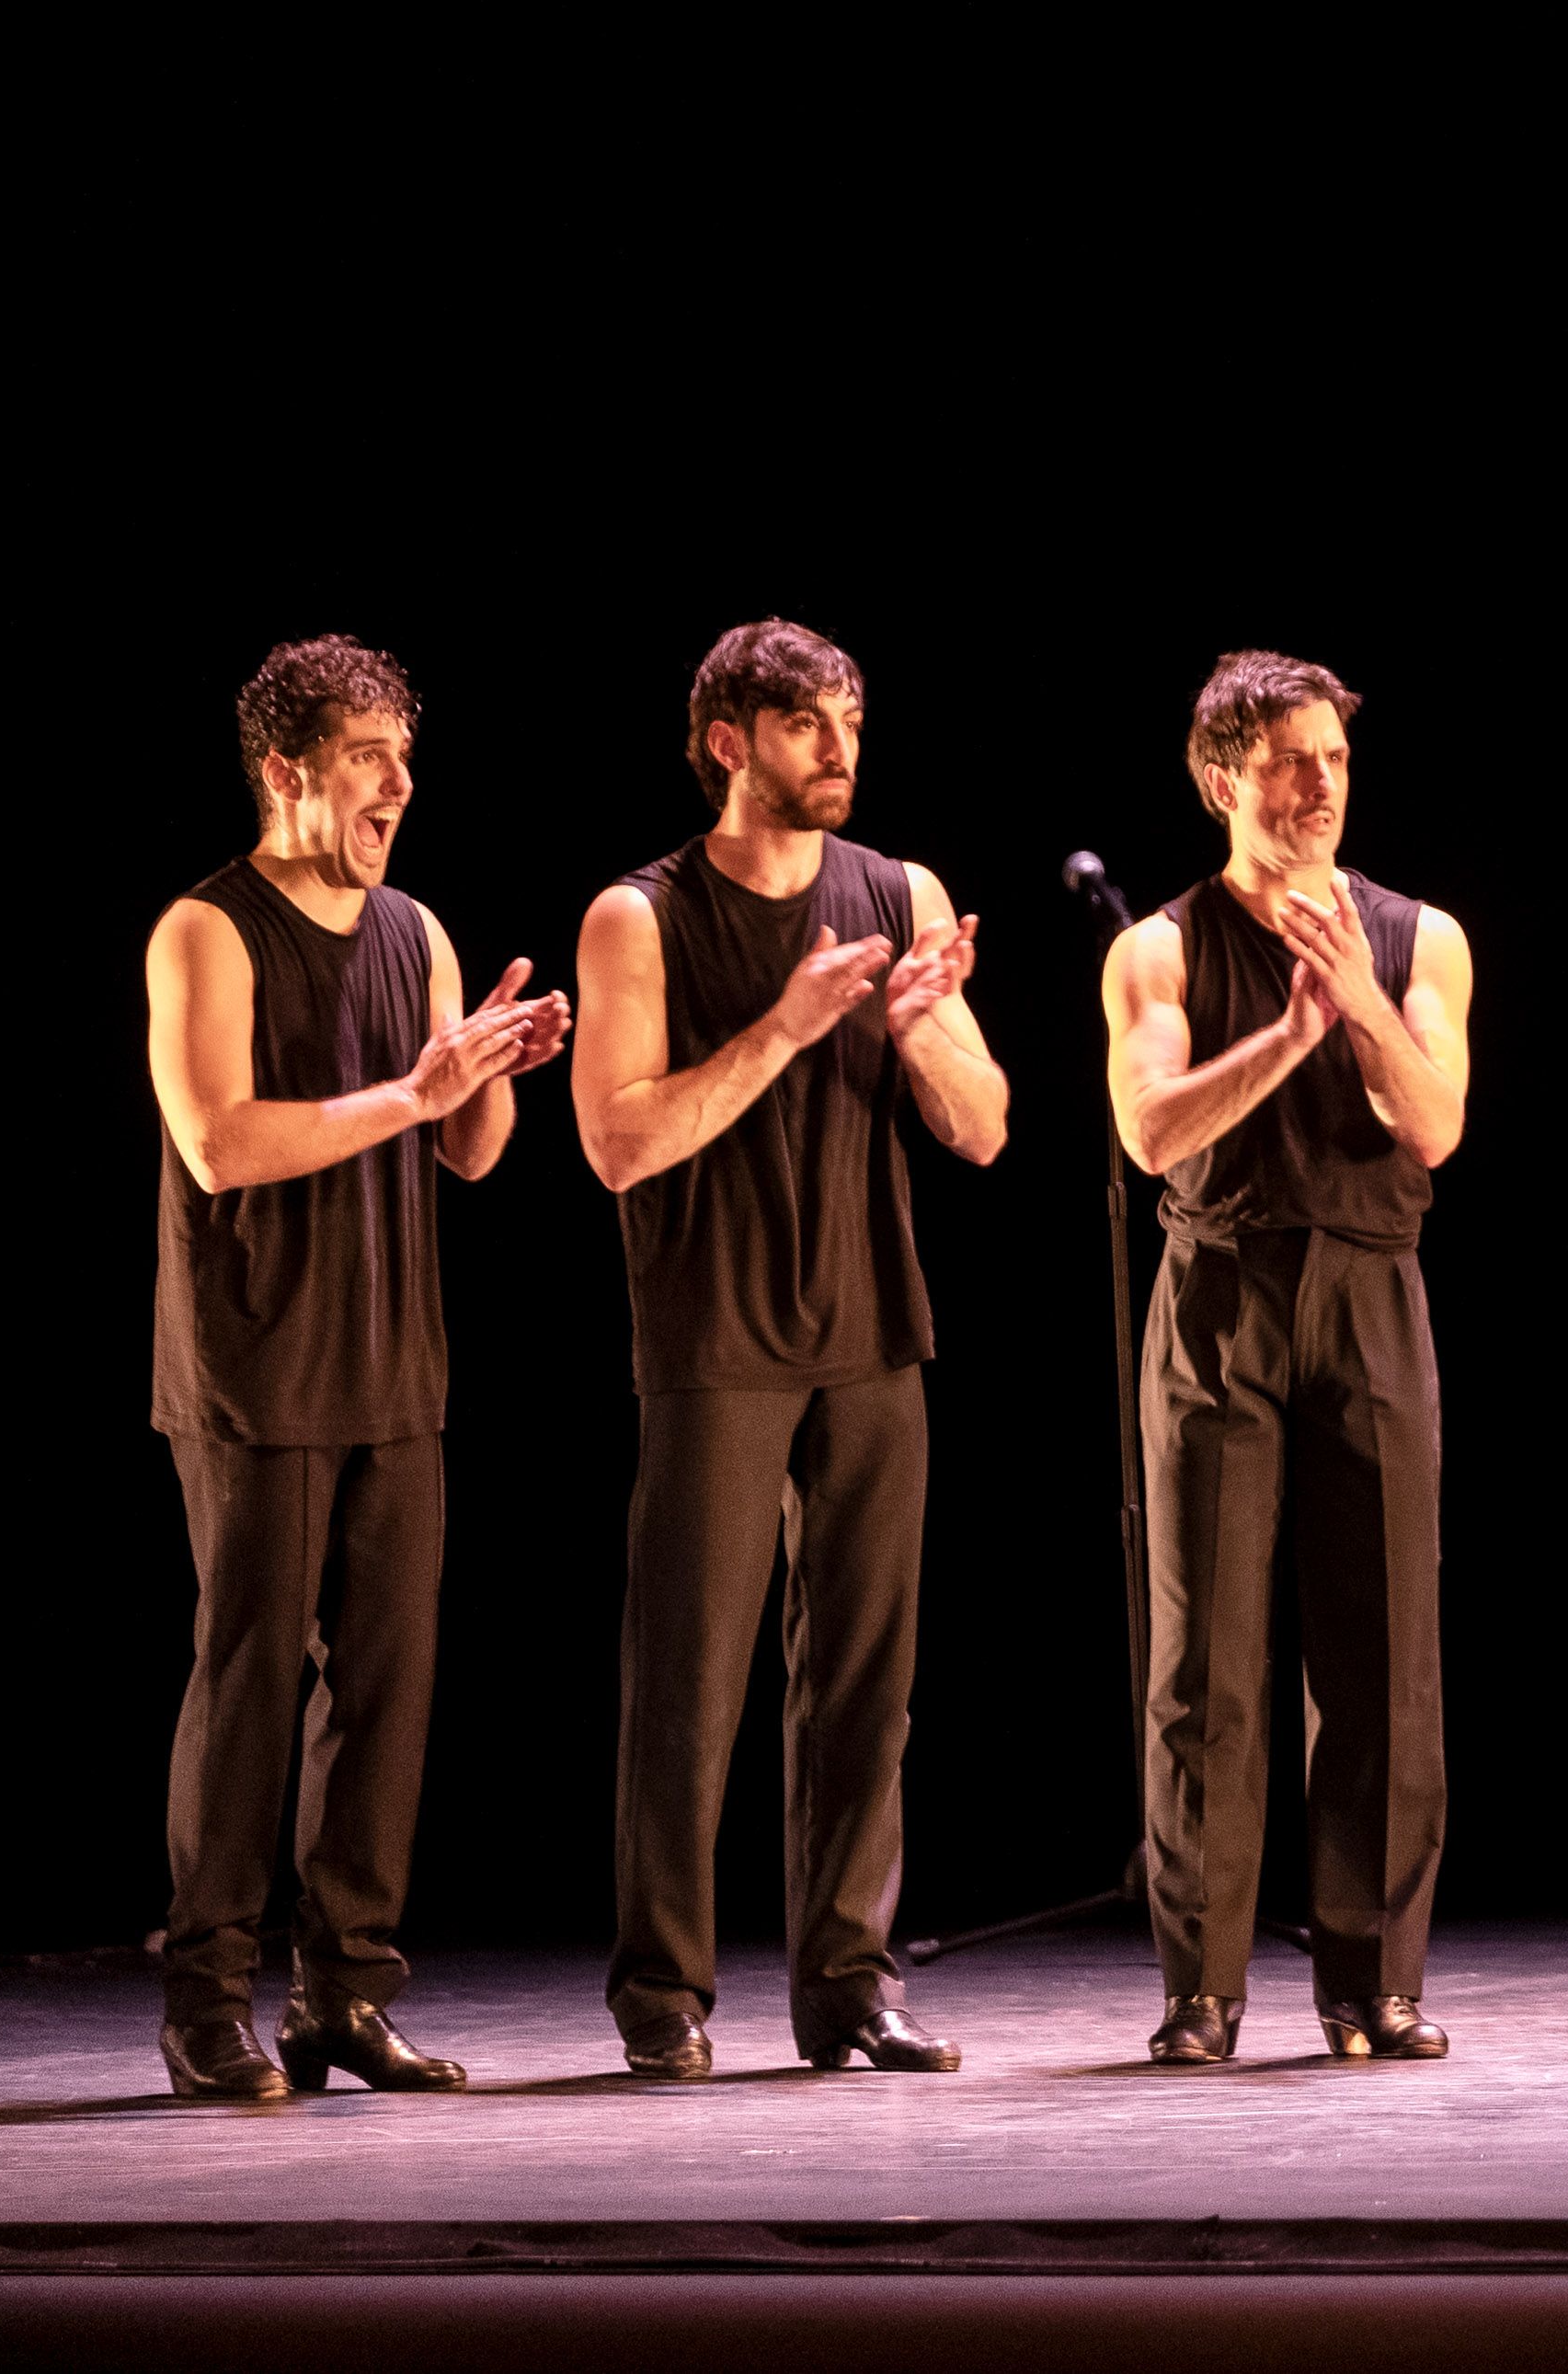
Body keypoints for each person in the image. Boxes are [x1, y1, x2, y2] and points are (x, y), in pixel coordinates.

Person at [574, 618, 1006, 2079]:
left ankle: (849, 1985)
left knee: (865, 1681)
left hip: (873, 1330)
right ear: (728, 743)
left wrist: (923, 1020)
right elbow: (621, 1142)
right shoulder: (641, 913)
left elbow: (987, 1126)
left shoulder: (898, 890)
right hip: (715, 1337)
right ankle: (664, 1995)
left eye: (852, 721)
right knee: (690, 1683)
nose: (841, 749)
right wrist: (785, 1023)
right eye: (809, 723)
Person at [144, 636, 570, 2099]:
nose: (402, 781)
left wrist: (490, 1077)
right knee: (251, 1680)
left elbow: (463, 1154)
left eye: (405, 752)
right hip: (256, 1365)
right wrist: (415, 1088)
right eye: (370, 755)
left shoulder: (421, 932)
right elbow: (221, 1141)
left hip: (396, 1365)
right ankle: (207, 1994)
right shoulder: (205, 929)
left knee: (385, 1691)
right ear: (287, 771)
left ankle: (342, 1991)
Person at [1104, 651, 1471, 2066]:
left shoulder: (1419, 935)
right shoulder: (1161, 946)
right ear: (1221, 780)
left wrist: (1359, 1004)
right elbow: (1153, 1129)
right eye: (1286, 762)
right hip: (1219, 1296)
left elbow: (1434, 1121)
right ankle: (1202, 1989)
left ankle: (1372, 1980)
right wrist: (1292, 1031)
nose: (1316, 785)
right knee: (1209, 1668)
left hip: (1372, 1290)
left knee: (1384, 1656)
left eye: (1332, 759)